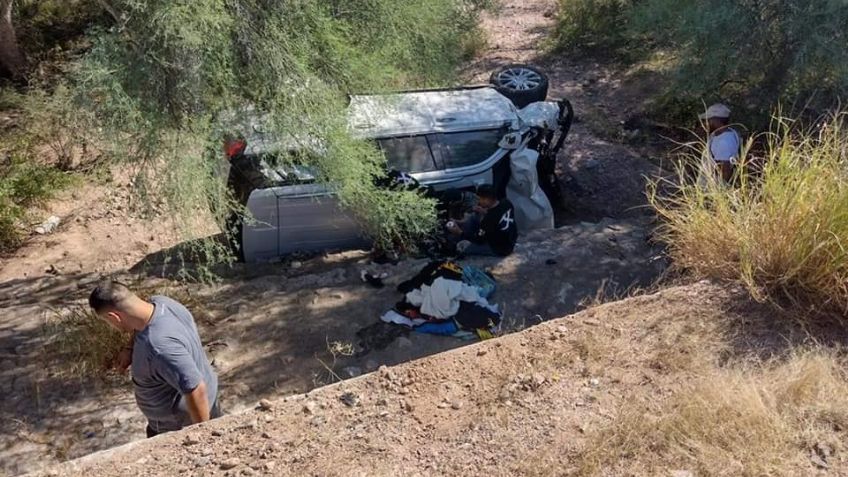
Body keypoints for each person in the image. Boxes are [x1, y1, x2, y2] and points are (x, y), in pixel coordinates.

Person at [88, 280, 221, 437]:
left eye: (107, 321)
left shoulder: (159, 347)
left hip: (180, 428)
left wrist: (203, 437)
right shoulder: (163, 303)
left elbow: (196, 389)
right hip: (210, 403)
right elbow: (142, 324)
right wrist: (129, 348)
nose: (111, 326)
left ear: (115, 317)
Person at [446, 184, 518, 257]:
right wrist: (485, 212)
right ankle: (467, 232)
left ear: (487, 199)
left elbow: (479, 240)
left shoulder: (488, 220)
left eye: (480, 198)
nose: (478, 201)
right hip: (510, 239)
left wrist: (459, 232)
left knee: (462, 248)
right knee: (475, 216)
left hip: (499, 249)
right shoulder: (506, 203)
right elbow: (497, 215)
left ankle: (462, 236)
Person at [700, 103, 742, 183]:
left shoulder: (724, 141)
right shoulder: (721, 134)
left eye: (708, 120)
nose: (706, 123)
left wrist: (721, 190)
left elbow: (726, 170)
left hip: (715, 187)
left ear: (715, 120)